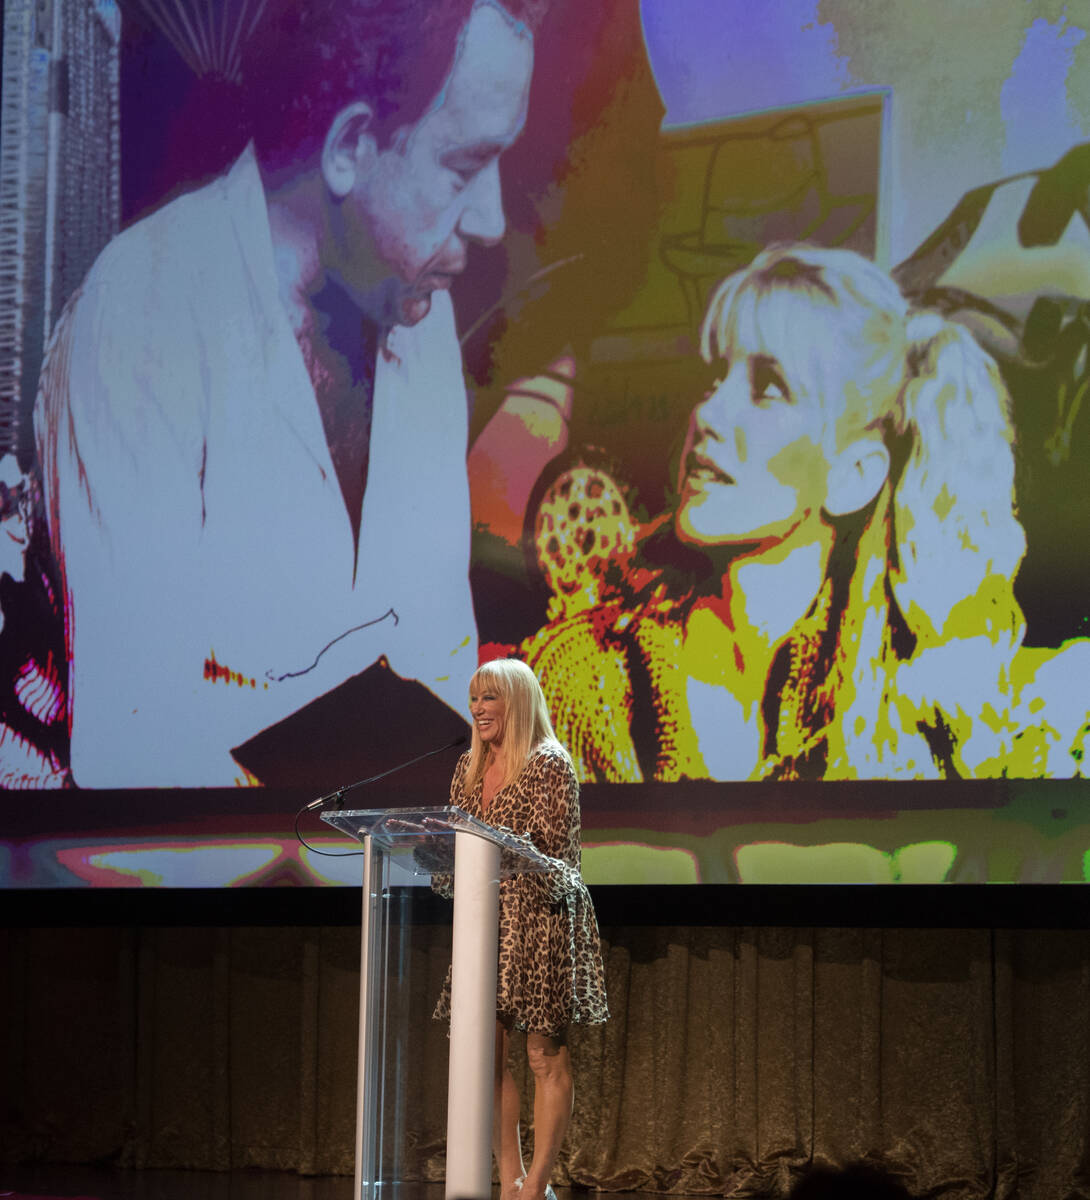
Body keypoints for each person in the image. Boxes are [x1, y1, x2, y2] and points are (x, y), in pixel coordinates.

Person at [33, 0, 545, 787]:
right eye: (465, 167)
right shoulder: (141, 313)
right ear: (349, 147)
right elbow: (130, 758)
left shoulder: (421, 320)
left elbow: (442, 672)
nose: (493, 218)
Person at [524, 244, 1090, 781]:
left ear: (854, 476)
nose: (709, 412)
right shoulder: (584, 680)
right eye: (715, 377)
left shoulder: (913, 696)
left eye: (769, 388)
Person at [433, 657, 608, 1200]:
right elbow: (453, 857)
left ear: (518, 701)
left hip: (540, 921)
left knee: (542, 1056)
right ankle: (510, 1177)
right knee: (482, 1050)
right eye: (474, 699)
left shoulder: (549, 763)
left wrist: (501, 857)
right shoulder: (468, 765)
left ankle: (537, 1187)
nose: (479, 709)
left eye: (490, 698)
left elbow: (557, 858)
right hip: (485, 923)